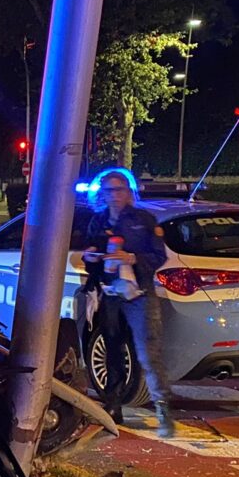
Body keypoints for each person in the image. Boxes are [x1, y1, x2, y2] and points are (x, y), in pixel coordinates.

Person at [81, 169, 175, 437]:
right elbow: (89, 253)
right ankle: (113, 406)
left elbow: (159, 256)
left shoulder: (143, 220)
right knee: (112, 350)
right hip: (110, 294)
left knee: (147, 352)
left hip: (138, 295)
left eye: (119, 189)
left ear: (129, 192)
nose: (114, 196)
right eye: (109, 191)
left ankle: (162, 409)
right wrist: (91, 258)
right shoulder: (97, 221)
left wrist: (132, 258)